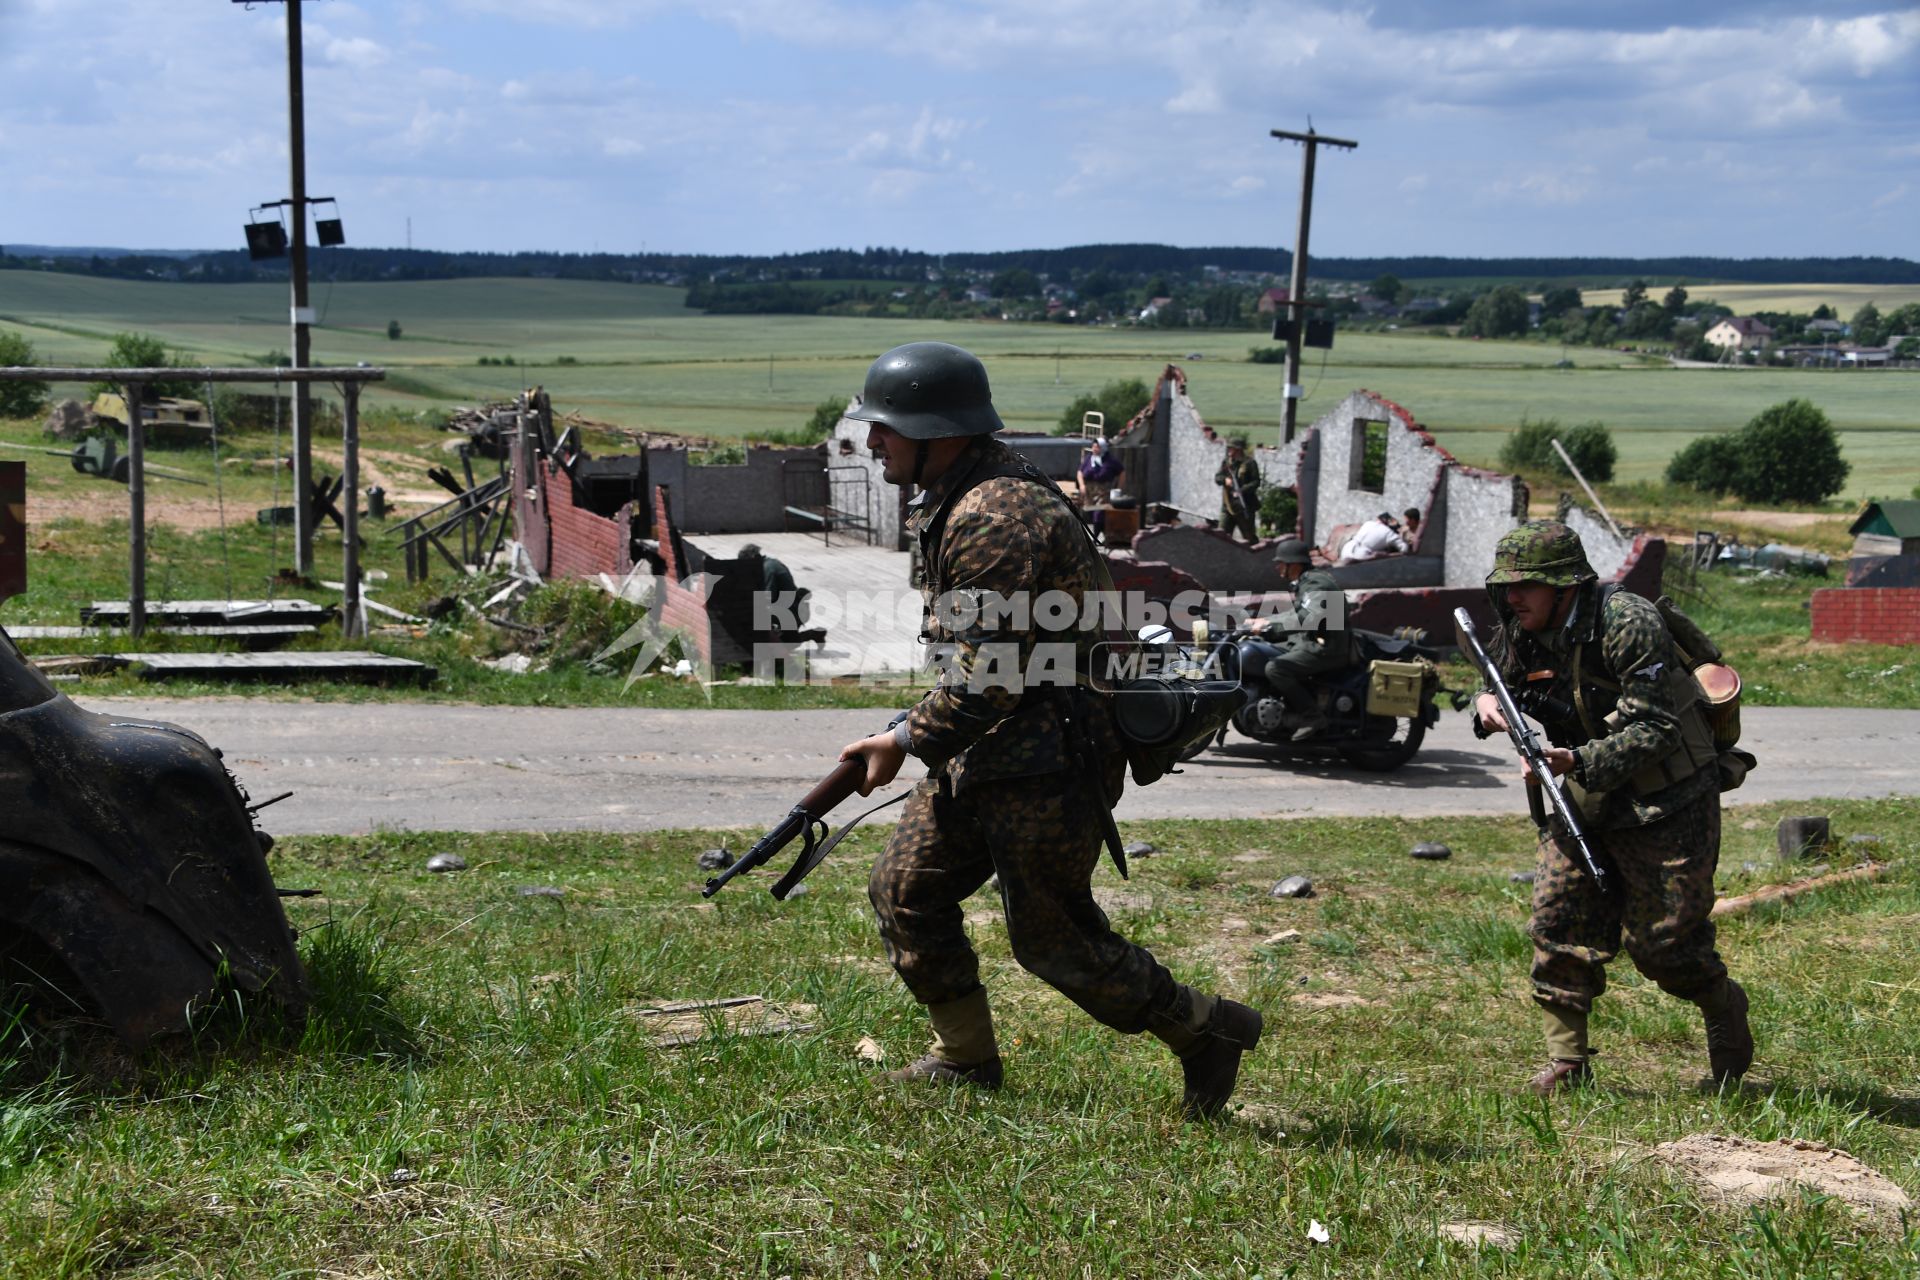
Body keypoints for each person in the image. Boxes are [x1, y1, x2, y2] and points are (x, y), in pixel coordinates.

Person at [835, 341, 1263, 1119]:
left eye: (885, 429)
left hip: (1051, 765)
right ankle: (965, 1060)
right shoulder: (963, 496)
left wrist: (902, 741)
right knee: (906, 889)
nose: (872, 444)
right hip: (987, 754)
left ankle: (1207, 1030)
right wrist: (919, 734)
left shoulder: (995, 517)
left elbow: (990, 673)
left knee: (1057, 943)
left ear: (936, 430)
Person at [1472, 521, 1752, 1096]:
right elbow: (1495, 681)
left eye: (1527, 585)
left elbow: (1656, 727)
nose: (1513, 597)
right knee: (1557, 923)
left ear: (1566, 586)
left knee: (1665, 946)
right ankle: (1569, 1063)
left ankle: (1722, 1004)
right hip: (1578, 795)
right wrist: (1485, 704)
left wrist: (1571, 759)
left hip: (1666, 800)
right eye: (1506, 586)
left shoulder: (1628, 621)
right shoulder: (1520, 624)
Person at [1253, 539, 1350, 736]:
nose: (1277, 566)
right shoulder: (1309, 581)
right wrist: (1265, 621)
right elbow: (1297, 613)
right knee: (1264, 646)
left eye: (1281, 562)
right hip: (1314, 640)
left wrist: (1271, 627)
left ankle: (1311, 715)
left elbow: (1308, 619)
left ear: (1294, 564)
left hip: (1327, 647)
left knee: (1276, 669)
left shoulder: (1318, 584)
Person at [1214, 435, 1260, 542]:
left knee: (1249, 537)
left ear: (1238, 449)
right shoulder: (1227, 462)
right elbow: (1218, 477)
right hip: (1228, 506)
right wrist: (1225, 480)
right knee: (1221, 535)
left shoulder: (1250, 463)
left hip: (1245, 506)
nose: (1229, 450)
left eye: (1231, 448)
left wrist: (1241, 491)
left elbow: (1256, 482)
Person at [1338, 511, 1408, 562]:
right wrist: (1389, 555)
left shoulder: (1368, 523)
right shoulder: (1389, 533)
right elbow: (1405, 549)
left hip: (1346, 548)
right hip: (1362, 554)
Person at [1077, 436, 1124, 507]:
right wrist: (1082, 485)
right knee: (1086, 514)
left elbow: (1122, 472)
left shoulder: (1110, 461)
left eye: (1097, 447)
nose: (1094, 449)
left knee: (1098, 514)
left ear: (1103, 447)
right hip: (1088, 493)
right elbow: (1080, 472)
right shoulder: (1089, 458)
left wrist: (1119, 488)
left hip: (1103, 494)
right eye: (1093, 447)